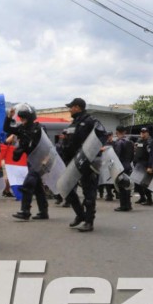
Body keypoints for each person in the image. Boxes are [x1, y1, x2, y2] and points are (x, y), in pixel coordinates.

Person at [60, 98, 107, 232]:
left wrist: (95, 150)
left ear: (77, 107)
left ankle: (89, 221)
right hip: (73, 163)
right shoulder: (73, 123)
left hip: (87, 163)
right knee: (67, 188)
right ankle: (81, 215)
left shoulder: (90, 121)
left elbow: (102, 135)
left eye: (71, 107)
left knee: (88, 192)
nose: (69, 110)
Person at [3, 104, 49, 220]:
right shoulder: (21, 128)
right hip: (30, 160)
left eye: (24, 117)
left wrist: (45, 160)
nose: (22, 120)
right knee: (38, 187)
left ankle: (25, 211)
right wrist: (9, 117)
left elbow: (47, 145)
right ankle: (43, 212)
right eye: (21, 118)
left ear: (30, 117)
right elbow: (6, 129)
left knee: (27, 185)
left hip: (39, 161)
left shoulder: (39, 128)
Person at [113, 126, 134, 212]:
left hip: (120, 166)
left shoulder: (119, 142)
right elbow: (132, 155)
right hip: (128, 165)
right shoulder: (130, 142)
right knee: (127, 185)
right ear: (124, 132)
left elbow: (117, 155)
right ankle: (128, 204)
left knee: (121, 186)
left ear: (117, 132)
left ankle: (123, 205)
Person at [133, 127, 153, 206]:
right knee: (136, 183)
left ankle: (149, 200)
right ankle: (142, 197)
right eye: (141, 132)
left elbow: (151, 155)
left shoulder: (150, 141)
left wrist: (150, 166)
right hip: (138, 164)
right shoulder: (139, 140)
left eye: (144, 132)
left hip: (146, 164)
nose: (143, 133)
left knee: (144, 183)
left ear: (147, 133)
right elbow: (136, 150)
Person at [98, 131, 116, 202]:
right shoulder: (104, 143)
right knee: (106, 180)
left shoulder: (115, 143)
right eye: (107, 136)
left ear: (112, 136)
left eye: (109, 135)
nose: (108, 137)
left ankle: (115, 193)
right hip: (105, 164)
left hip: (113, 163)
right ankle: (109, 194)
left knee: (114, 180)